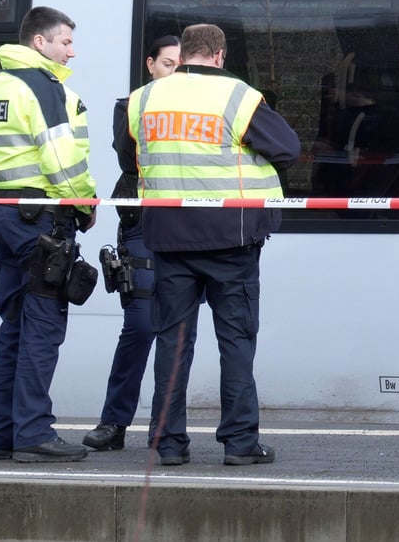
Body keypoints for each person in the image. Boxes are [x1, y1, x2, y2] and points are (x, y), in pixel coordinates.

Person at [117, 23, 300, 466]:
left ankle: (168, 443)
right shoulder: (238, 96)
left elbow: (129, 158)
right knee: (235, 340)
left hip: (167, 238)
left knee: (172, 342)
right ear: (220, 55)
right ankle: (239, 442)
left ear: (182, 56)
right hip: (230, 239)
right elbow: (288, 149)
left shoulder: (144, 98)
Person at [0, 6, 97, 463]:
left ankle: (1, 433)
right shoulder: (42, 86)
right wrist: (85, 205)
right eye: (65, 41)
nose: (71, 51)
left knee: (14, 327)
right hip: (42, 220)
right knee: (42, 329)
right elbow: (61, 160)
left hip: (5, 216)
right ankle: (33, 433)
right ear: (39, 42)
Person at [83, 35, 199, 451]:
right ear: (151, 65)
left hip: (187, 226)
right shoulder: (131, 105)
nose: (175, 72)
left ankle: (165, 428)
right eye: (168, 64)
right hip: (143, 224)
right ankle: (114, 422)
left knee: (180, 332)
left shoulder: (199, 106)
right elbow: (128, 157)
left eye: (181, 65)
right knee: (140, 325)